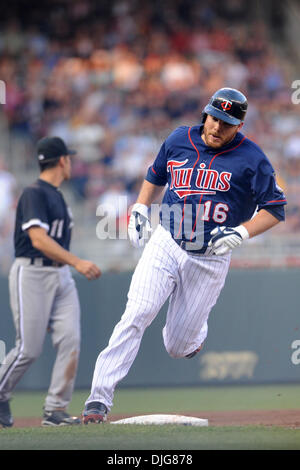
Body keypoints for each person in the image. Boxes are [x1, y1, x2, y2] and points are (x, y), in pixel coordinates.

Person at [81, 88, 287, 424]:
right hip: (166, 241)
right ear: (205, 114)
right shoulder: (180, 139)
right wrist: (139, 207)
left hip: (209, 257)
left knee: (177, 346)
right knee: (137, 312)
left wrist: (242, 232)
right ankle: (98, 400)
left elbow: (275, 209)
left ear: (239, 126)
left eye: (227, 123)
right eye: (214, 119)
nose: (217, 128)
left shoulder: (252, 158)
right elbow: (156, 174)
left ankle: (195, 335)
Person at [0, 136, 101, 428]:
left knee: (71, 339)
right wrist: (77, 262)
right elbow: (38, 239)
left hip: (60, 276)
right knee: (27, 349)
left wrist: (69, 265)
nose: (70, 162)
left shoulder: (57, 194)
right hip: (32, 272)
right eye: (68, 158)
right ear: (62, 161)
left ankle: (55, 409)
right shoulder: (35, 193)